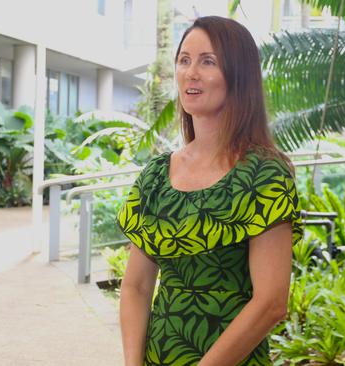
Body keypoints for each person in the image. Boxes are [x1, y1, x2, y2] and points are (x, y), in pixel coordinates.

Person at [116, 16, 303, 366]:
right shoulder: (156, 176)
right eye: (184, 60)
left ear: (238, 76)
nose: (191, 72)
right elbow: (136, 287)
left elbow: (271, 303)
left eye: (208, 61)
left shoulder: (264, 175)